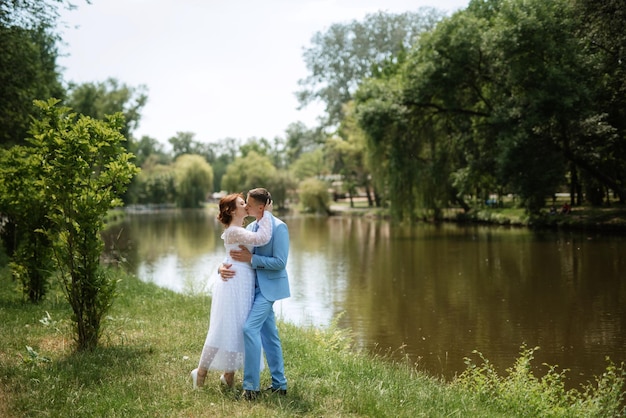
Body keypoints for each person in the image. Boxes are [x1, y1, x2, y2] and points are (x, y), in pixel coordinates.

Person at [190, 193, 273, 389]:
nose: (247, 205)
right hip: (232, 283)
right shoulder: (233, 231)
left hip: (243, 282)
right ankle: (200, 373)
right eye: (242, 203)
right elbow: (262, 238)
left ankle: (228, 376)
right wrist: (267, 213)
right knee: (222, 328)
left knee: (238, 329)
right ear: (231, 210)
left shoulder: (241, 229)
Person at [219, 188, 290, 400]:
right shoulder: (251, 227)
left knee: (250, 329)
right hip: (249, 289)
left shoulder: (279, 227)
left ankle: (251, 388)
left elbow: (280, 263)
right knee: (270, 336)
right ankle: (280, 383)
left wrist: (252, 259)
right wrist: (221, 268)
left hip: (268, 290)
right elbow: (233, 254)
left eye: (248, 204)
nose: (246, 207)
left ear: (261, 206)